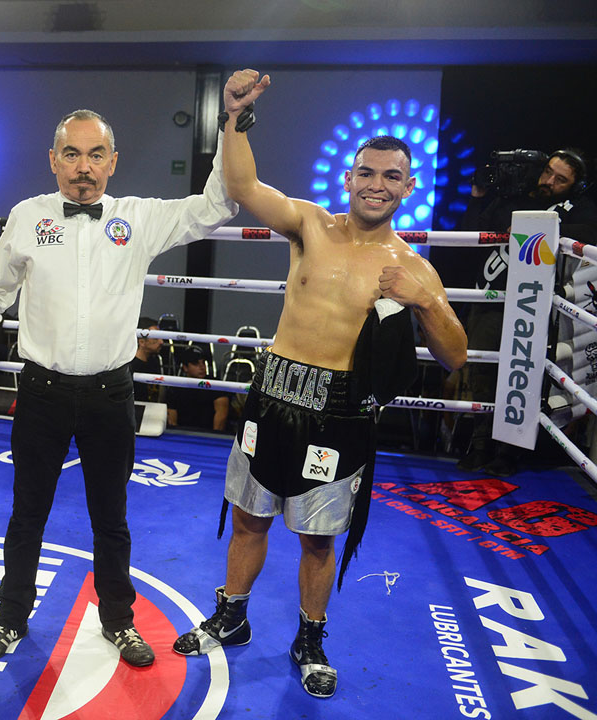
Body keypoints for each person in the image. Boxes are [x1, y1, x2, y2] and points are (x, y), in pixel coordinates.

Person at [172, 69, 467, 698]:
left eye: (392, 176)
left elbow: (455, 357)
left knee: (317, 537)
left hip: (339, 412)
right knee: (248, 519)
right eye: (368, 173)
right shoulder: (310, 226)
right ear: (349, 178)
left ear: (409, 187)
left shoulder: (415, 268)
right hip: (273, 393)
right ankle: (231, 615)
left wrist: (426, 302)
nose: (378, 185)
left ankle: (310, 637)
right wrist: (235, 115)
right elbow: (243, 186)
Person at [0, 107, 240, 668]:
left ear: (112, 162)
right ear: (53, 160)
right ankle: (10, 619)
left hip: (110, 396)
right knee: (27, 513)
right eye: (71, 154)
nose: (83, 167)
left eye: (95, 155)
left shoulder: (138, 218)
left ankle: (119, 621)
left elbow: (216, 206)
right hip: (41, 393)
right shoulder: (28, 216)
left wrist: (230, 124)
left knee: (111, 517)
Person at [454, 149, 597, 476]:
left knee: (523, 375)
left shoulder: (574, 207)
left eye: (560, 179)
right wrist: (478, 195)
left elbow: (591, 232)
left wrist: (543, 228)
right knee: (482, 372)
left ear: (574, 186)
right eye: (548, 171)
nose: (549, 181)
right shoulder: (514, 196)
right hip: (489, 298)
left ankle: (509, 451)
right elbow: (471, 230)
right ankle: (480, 446)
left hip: (531, 304)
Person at [166, 344, 230, 431]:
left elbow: (222, 414)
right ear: (185, 368)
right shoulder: (176, 387)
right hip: (183, 434)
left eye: (203, 362)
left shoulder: (215, 384)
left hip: (210, 434)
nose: (202, 367)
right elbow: (172, 420)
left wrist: (214, 435)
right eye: (195, 364)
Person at [130, 315, 164, 403]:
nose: (161, 342)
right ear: (142, 342)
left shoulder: (155, 361)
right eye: (156, 338)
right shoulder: (130, 367)